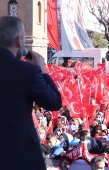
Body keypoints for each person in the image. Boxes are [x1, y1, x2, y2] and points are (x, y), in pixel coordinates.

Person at [0, 16, 62, 169]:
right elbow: (54, 102)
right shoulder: (26, 72)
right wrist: (43, 71)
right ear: (19, 40)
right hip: (19, 156)